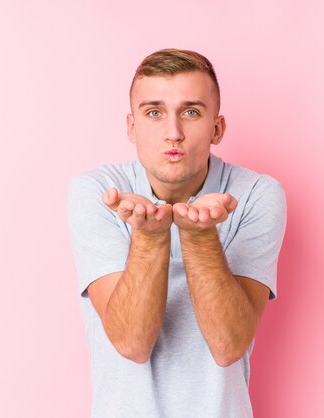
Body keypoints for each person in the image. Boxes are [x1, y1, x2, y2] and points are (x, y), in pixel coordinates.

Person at [66, 48, 286, 418]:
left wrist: (199, 237)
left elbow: (228, 346)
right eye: (154, 112)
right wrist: (150, 238)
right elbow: (132, 343)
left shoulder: (255, 194)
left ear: (217, 128)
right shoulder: (100, 192)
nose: (173, 133)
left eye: (191, 112)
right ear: (131, 126)